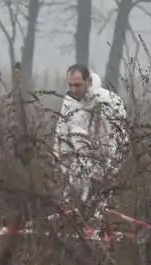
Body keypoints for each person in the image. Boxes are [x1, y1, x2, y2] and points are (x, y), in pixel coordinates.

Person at [53, 65, 129, 214]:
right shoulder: (68, 103)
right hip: (76, 172)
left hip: (104, 169)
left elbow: (120, 138)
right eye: (70, 85)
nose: (74, 89)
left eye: (78, 85)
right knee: (73, 213)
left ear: (88, 81)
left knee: (100, 212)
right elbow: (61, 135)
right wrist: (60, 164)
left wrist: (113, 169)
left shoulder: (110, 101)